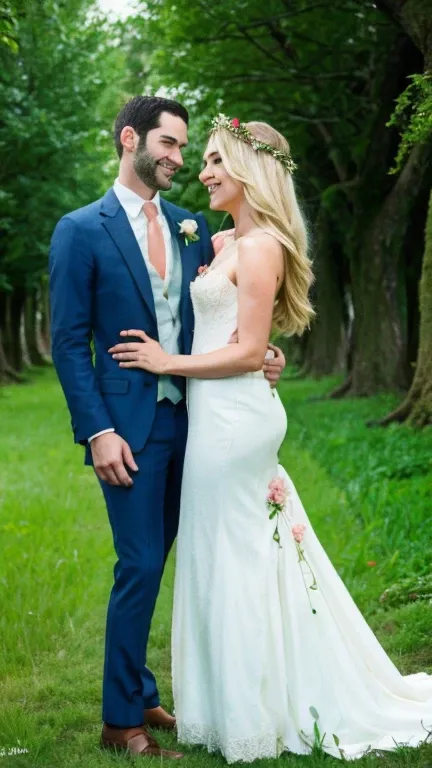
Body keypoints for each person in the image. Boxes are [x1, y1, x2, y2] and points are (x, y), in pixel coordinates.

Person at [109, 114, 432, 763]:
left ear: (249, 171)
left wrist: (169, 363)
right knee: (222, 550)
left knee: (237, 556)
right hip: (217, 413)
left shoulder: (262, 247)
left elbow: (250, 347)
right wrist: (252, 355)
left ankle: (255, 708)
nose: (203, 172)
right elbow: (236, 336)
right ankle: (232, 696)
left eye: (215, 161)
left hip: (236, 421)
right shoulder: (222, 241)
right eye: (200, 160)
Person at [49, 97, 285, 760]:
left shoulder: (189, 227)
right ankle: (120, 720)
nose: (181, 161)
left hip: (201, 424)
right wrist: (97, 431)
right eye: (172, 145)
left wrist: (261, 352)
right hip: (127, 429)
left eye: (188, 149)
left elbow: (222, 317)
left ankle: (143, 689)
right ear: (132, 140)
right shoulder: (80, 230)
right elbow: (68, 343)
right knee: (141, 561)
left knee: (166, 565)